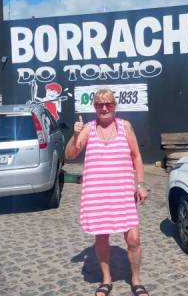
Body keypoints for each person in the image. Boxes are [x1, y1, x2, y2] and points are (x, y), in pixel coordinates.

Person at [65, 88, 150, 296]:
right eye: (99, 104)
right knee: (102, 240)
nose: (104, 108)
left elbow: (137, 156)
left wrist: (140, 184)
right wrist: (75, 135)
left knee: (133, 240)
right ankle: (106, 280)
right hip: (97, 196)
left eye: (108, 104)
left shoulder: (125, 127)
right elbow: (70, 154)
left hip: (122, 195)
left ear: (115, 106)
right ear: (95, 107)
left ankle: (136, 280)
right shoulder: (87, 129)